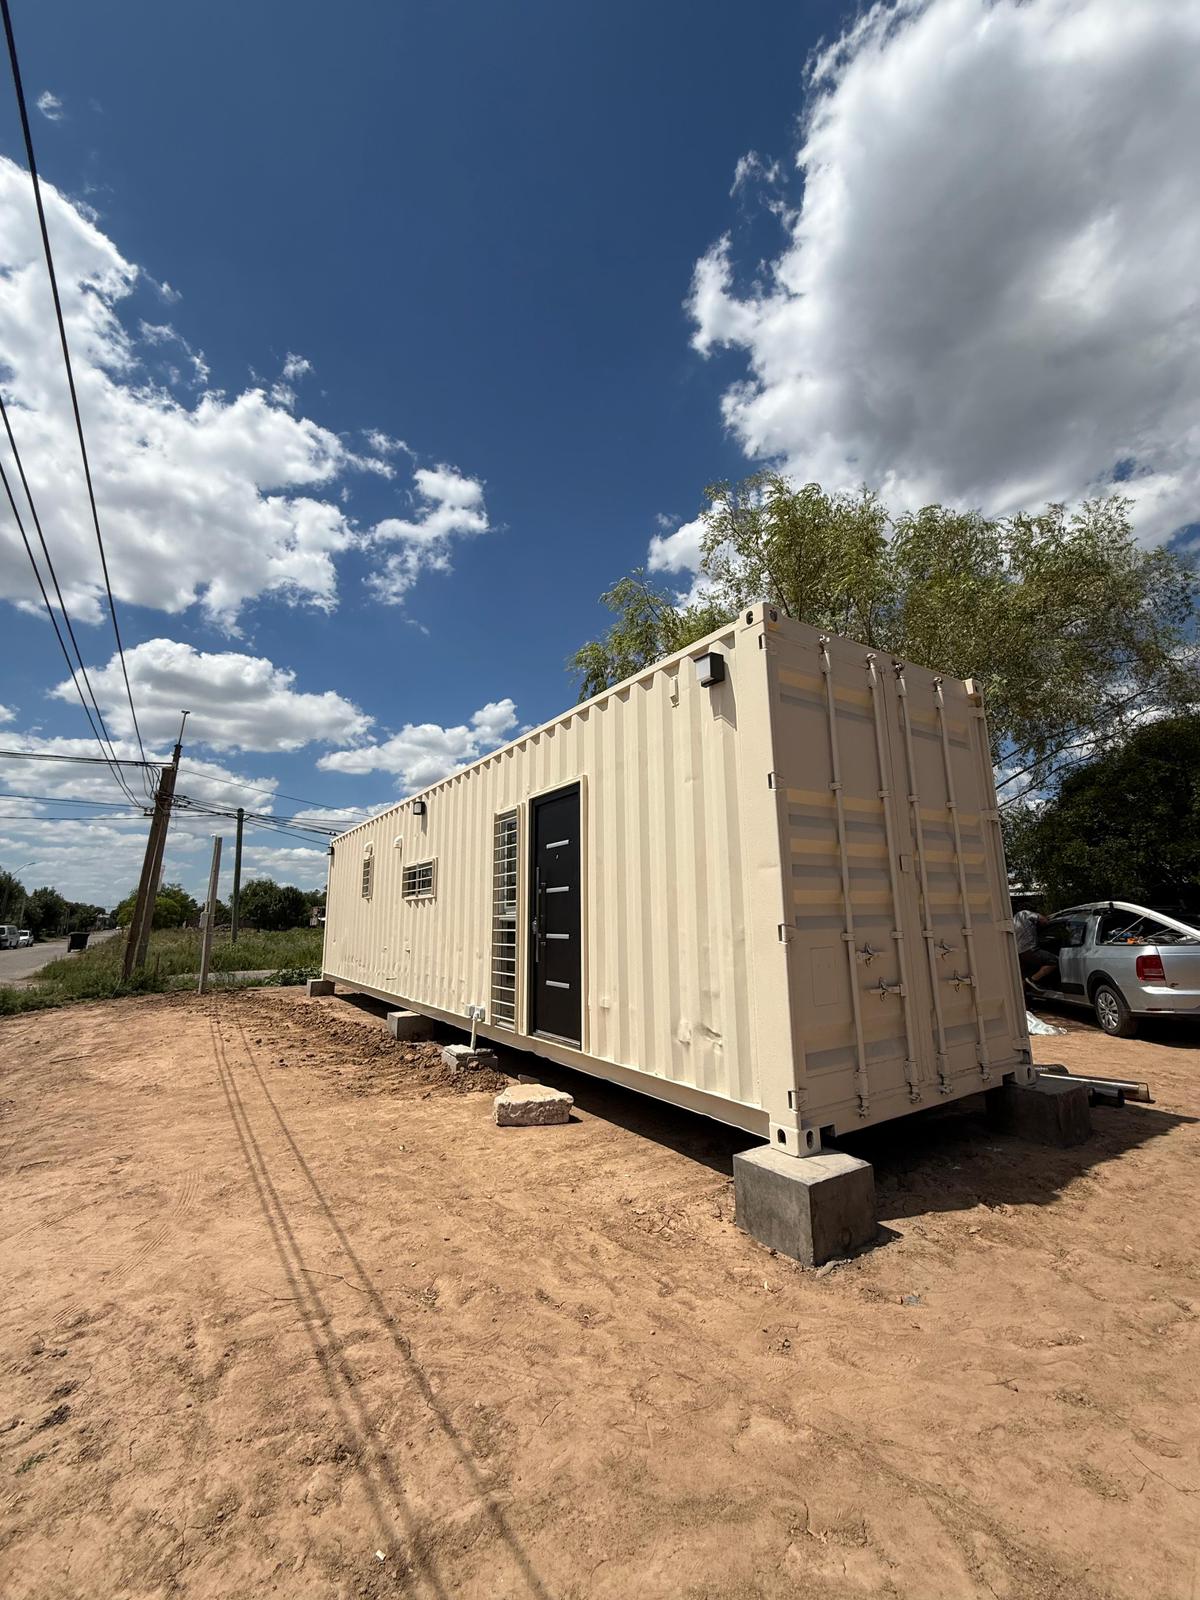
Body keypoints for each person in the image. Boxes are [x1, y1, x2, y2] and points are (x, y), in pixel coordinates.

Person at [1014, 908, 1058, 989]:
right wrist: (1046, 920)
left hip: (1020, 953)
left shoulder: (1015, 921)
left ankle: (1022, 998)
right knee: (1054, 961)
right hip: (1031, 950)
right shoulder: (1026, 913)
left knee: (1026, 974)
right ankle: (1033, 980)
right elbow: (1043, 920)